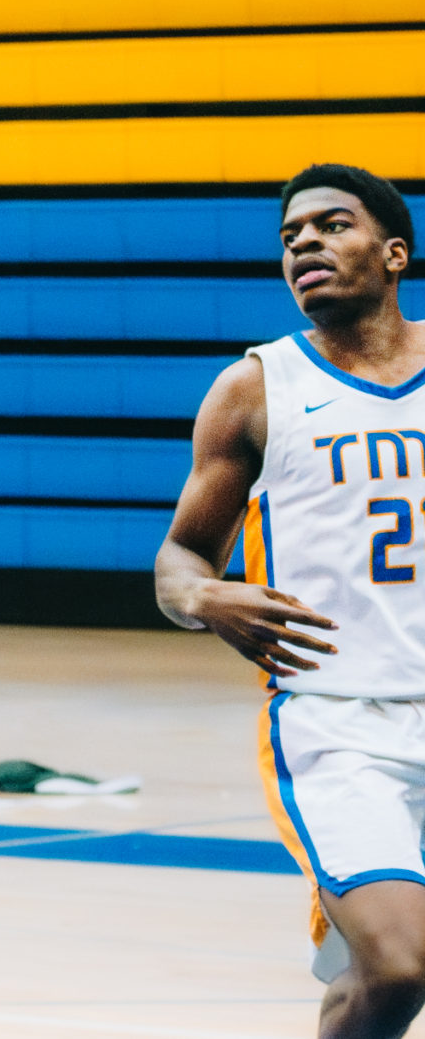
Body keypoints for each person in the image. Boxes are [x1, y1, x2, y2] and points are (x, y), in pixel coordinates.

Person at [158, 163, 425, 1039]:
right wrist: (206, 598)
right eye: (290, 236)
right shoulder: (256, 389)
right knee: (400, 965)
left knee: (371, 985)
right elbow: (179, 556)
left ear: (394, 254)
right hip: (337, 720)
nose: (305, 241)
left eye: (332, 224)